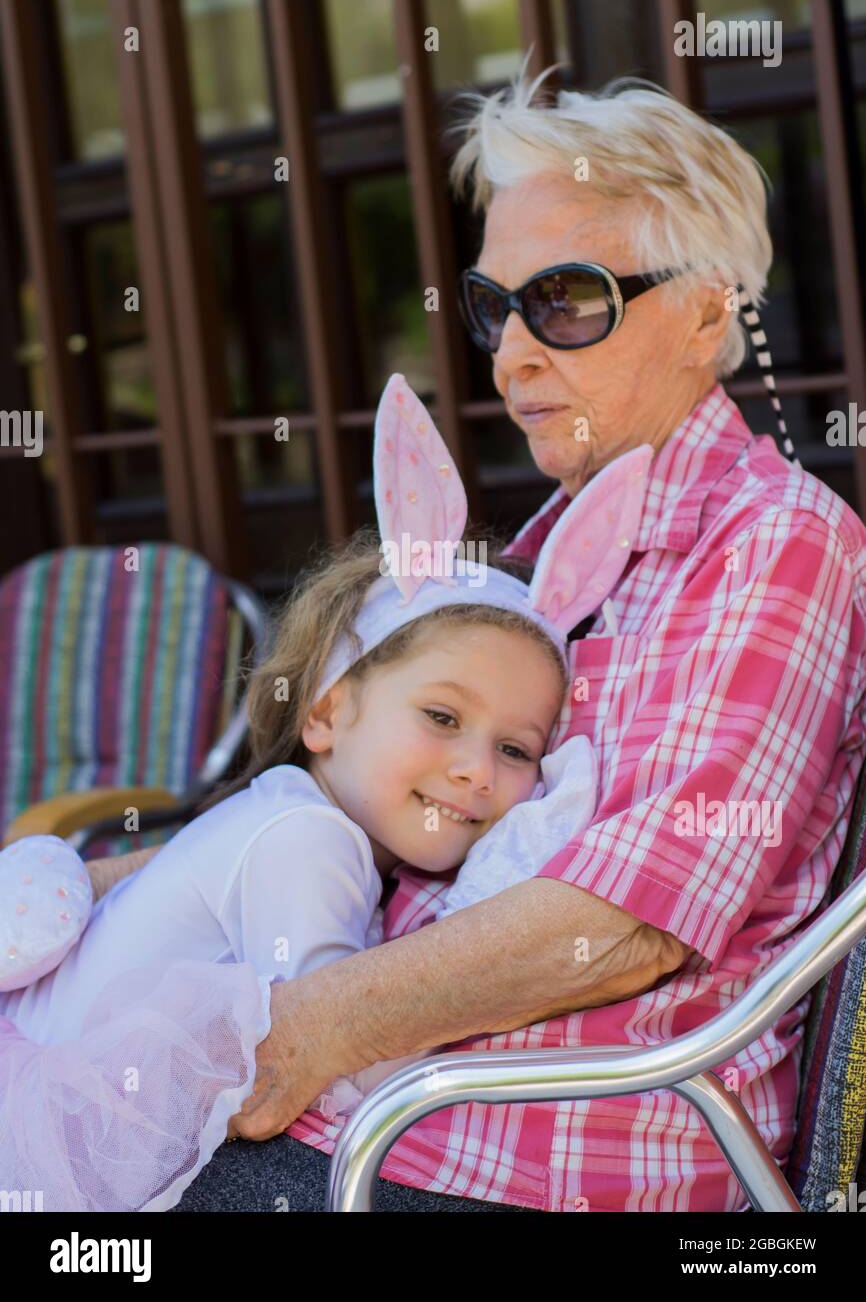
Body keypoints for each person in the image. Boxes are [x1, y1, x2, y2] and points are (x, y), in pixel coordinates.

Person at [90, 62, 866, 1214]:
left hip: (527, 1145)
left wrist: (289, 1037)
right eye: (492, 307)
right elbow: (373, 814)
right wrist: (102, 893)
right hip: (394, 1104)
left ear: (707, 312)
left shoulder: (774, 545)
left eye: (563, 300)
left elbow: (623, 927)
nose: (509, 355)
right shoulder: (558, 550)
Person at [0, 372, 641, 1212]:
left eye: (518, 749)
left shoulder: (287, 812)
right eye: (442, 715)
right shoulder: (311, 840)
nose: (477, 770)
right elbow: (341, 1061)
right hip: (62, 1144)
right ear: (327, 711)